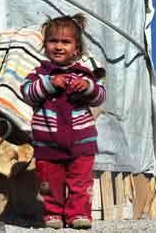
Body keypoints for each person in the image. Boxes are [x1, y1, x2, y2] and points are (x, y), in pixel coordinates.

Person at [20, 14, 106, 230]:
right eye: (53, 41)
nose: (59, 46)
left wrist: (87, 88)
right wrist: (49, 84)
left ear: (76, 48)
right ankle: (53, 214)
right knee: (50, 182)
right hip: (47, 141)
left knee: (80, 181)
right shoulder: (39, 73)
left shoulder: (84, 74)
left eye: (65, 42)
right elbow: (27, 93)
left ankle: (78, 214)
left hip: (81, 140)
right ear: (45, 45)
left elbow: (101, 96)